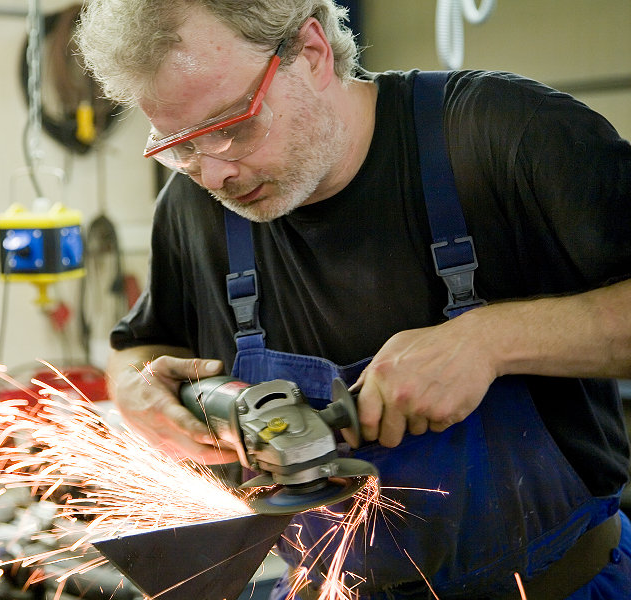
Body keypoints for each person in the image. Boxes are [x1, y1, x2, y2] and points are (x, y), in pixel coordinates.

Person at [76, 1, 631, 598]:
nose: (214, 175)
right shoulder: (195, 213)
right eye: (180, 146)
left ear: (311, 52)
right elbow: (139, 347)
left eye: (232, 127)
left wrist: (490, 342)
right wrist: (138, 391)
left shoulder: (505, 134)